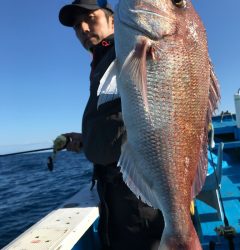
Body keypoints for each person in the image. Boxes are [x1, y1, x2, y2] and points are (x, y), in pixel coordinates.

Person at [58, 1, 164, 249]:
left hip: (138, 193)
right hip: (114, 191)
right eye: (76, 26)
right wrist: (86, 139)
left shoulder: (124, 46)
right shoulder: (101, 58)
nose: (83, 28)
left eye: (91, 18)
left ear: (114, 21)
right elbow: (117, 120)